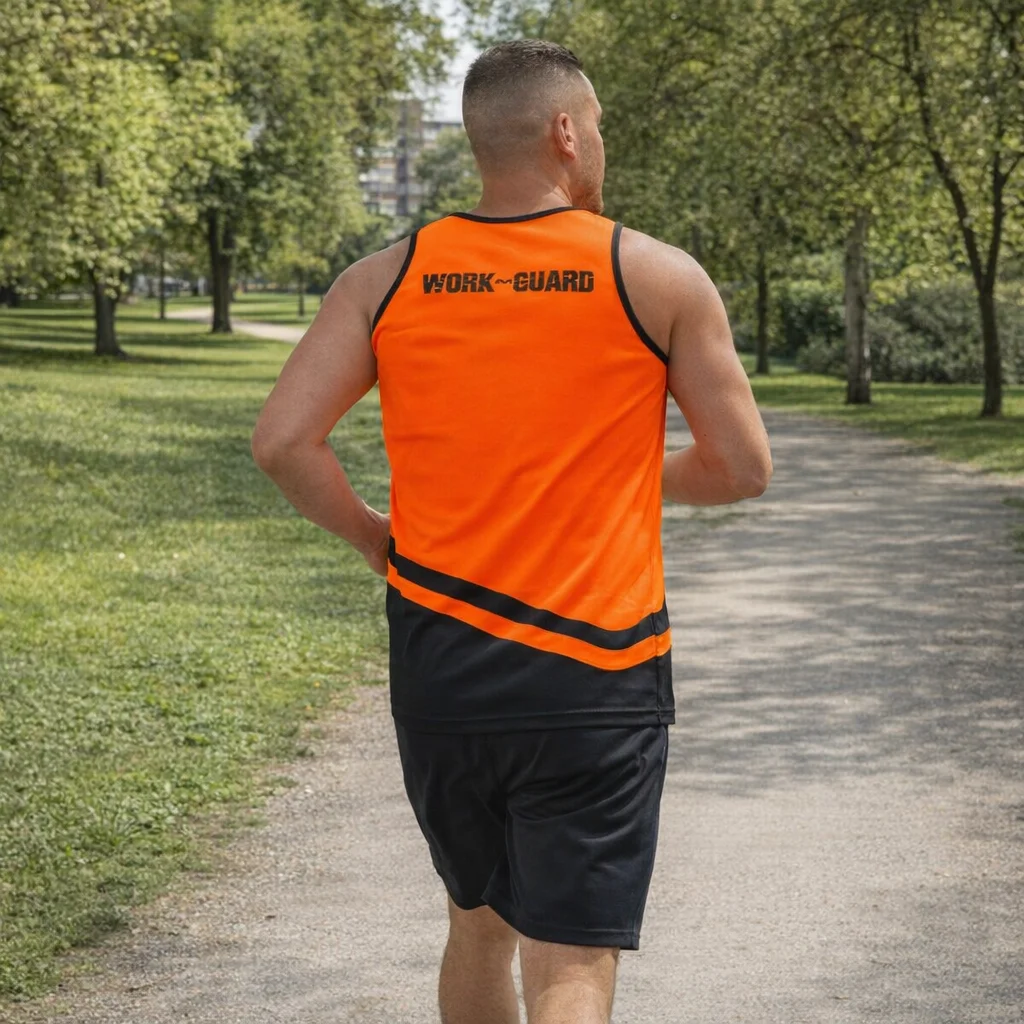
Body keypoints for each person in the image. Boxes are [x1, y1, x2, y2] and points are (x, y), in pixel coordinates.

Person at [251, 38, 772, 1024]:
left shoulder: (385, 279)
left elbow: (283, 442)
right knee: (569, 959)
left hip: (442, 665)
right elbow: (741, 468)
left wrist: (373, 536)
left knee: (476, 923)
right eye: (602, 126)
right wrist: (611, 477)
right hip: (594, 672)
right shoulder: (653, 275)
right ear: (568, 133)